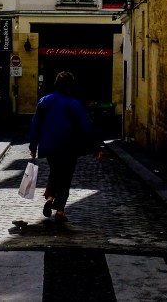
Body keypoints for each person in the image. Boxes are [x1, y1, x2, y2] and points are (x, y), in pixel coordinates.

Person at [28, 71, 103, 223]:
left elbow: (35, 124)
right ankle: (60, 210)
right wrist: (96, 147)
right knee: (66, 176)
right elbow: (85, 127)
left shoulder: (44, 101)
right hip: (68, 146)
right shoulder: (73, 104)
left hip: (49, 146)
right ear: (70, 86)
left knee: (55, 171)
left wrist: (33, 146)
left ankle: (49, 198)